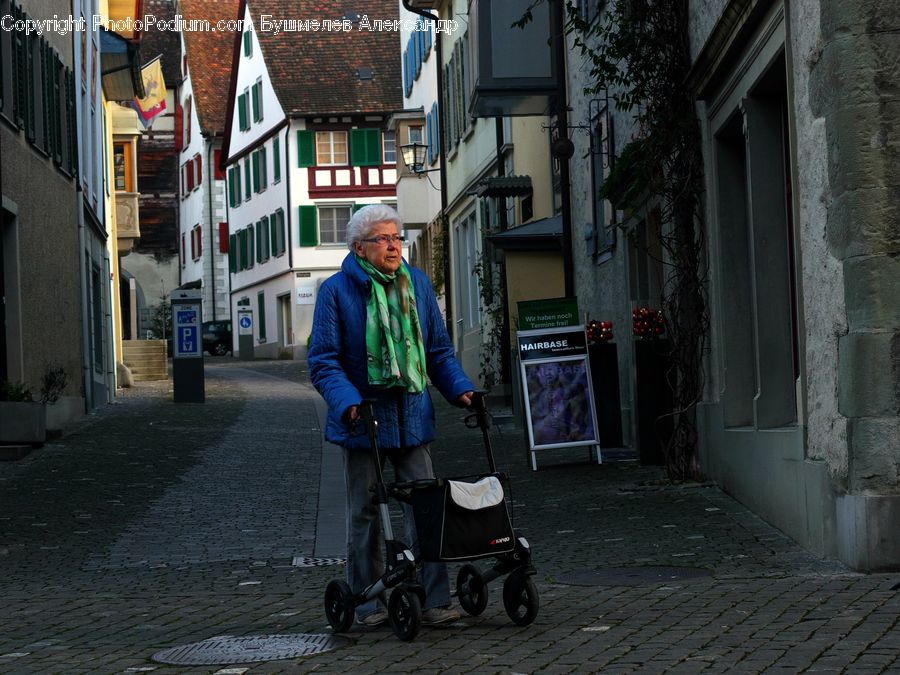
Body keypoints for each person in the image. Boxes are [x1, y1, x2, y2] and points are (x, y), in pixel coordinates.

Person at [308, 204, 475, 628]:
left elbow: (437, 350)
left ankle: (434, 600)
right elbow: (324, 361)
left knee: (425, 508)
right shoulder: (336, 292)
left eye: (397, 238)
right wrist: (347, 401)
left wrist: (460, 388)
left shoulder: (416, 285)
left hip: (412, 415)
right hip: (362, 419)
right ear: (359, 247)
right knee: (365, 512)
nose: (394, 246)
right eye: (383, 239)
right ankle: (367, 602)